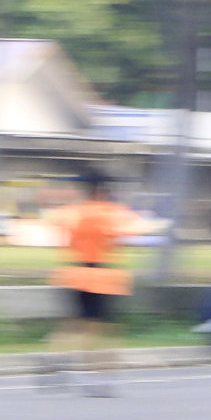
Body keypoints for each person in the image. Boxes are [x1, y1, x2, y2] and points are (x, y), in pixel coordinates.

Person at [43, 169, 138, 396]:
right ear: (105, 191)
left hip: (73, 273)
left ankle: (53, 360)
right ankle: (101, 377)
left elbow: (54, 223)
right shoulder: (113, 213)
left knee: (72, 324)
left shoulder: (73, 212)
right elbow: (129, 232)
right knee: (102, 329)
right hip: (103, 277)